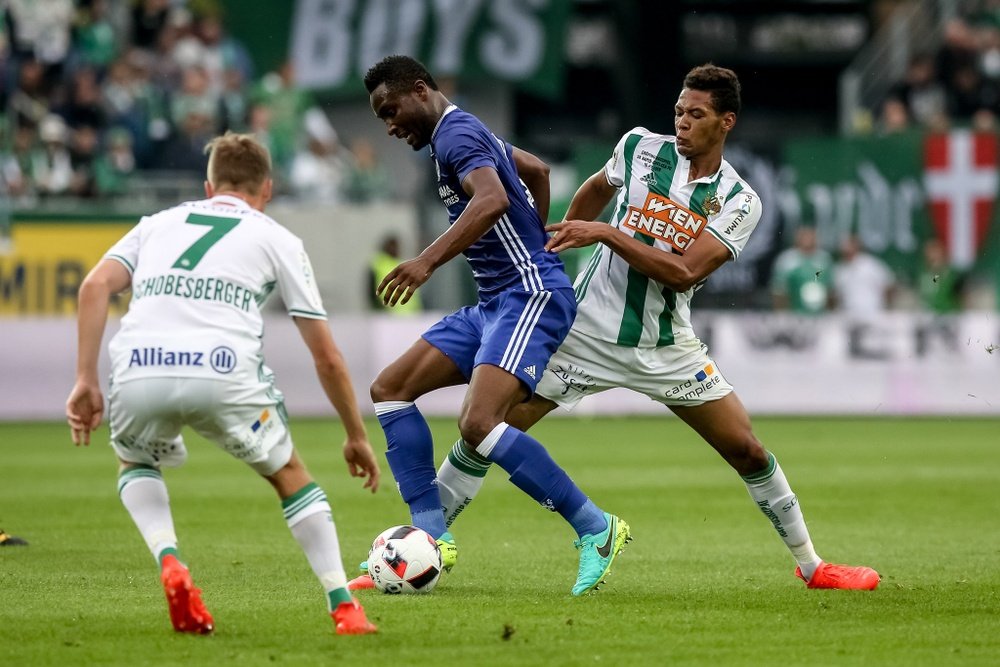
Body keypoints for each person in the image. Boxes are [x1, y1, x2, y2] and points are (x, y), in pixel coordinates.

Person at [432, 64, 880, 591]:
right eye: (678, 112)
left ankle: (813, 566)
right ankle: (428, 544)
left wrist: (603, 233)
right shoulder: (639, 148)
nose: (683, 123)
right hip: (585, 332)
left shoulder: (741, 201)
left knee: (747, 450)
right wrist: (559, 248)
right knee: (489, 426)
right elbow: (596, 189)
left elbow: (685, 270)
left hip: (667, 347)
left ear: (726, 122)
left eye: (696, 115)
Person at [64, 132, 380, 635]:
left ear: (208, 186)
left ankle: (170, 560)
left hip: (140, 365)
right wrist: (356, 434)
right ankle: (344, 605)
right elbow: (328, 358)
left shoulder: (156, 224)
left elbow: (94, 286)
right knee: (289, 475)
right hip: (223, 370)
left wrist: (85, 378)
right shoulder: (277, 237)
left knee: (135, 459)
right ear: (268, 190)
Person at [351, 55, 630, 597]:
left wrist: (427, 261)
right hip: (497, 301)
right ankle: (431, 535)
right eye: (382, 118)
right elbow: (536, 171)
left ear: (419, 89)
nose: (389, 125)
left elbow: (494, 196)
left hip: (529, 295)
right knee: (390, 390)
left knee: (479, 423)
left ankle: (597, 528)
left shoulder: (455, 136)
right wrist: (538, 237)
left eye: (391, 111)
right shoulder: (459, 132)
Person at [771, 226, 834, 315]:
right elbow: (779, 291)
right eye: (804, 236)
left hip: (821, 316)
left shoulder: (824, 259)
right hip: (794, 315)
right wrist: (782, 314)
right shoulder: (787, 260)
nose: (807, 239)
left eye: (810, 236)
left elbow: (831, 291)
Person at [367, 234, 421, 314]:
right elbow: (371, 291)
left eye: (396, 246)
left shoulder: (402, 264)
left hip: (411, 314)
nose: (395, 249)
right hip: (389, 315)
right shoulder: (377, 264)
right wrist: (379, 310)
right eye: (392, 246)